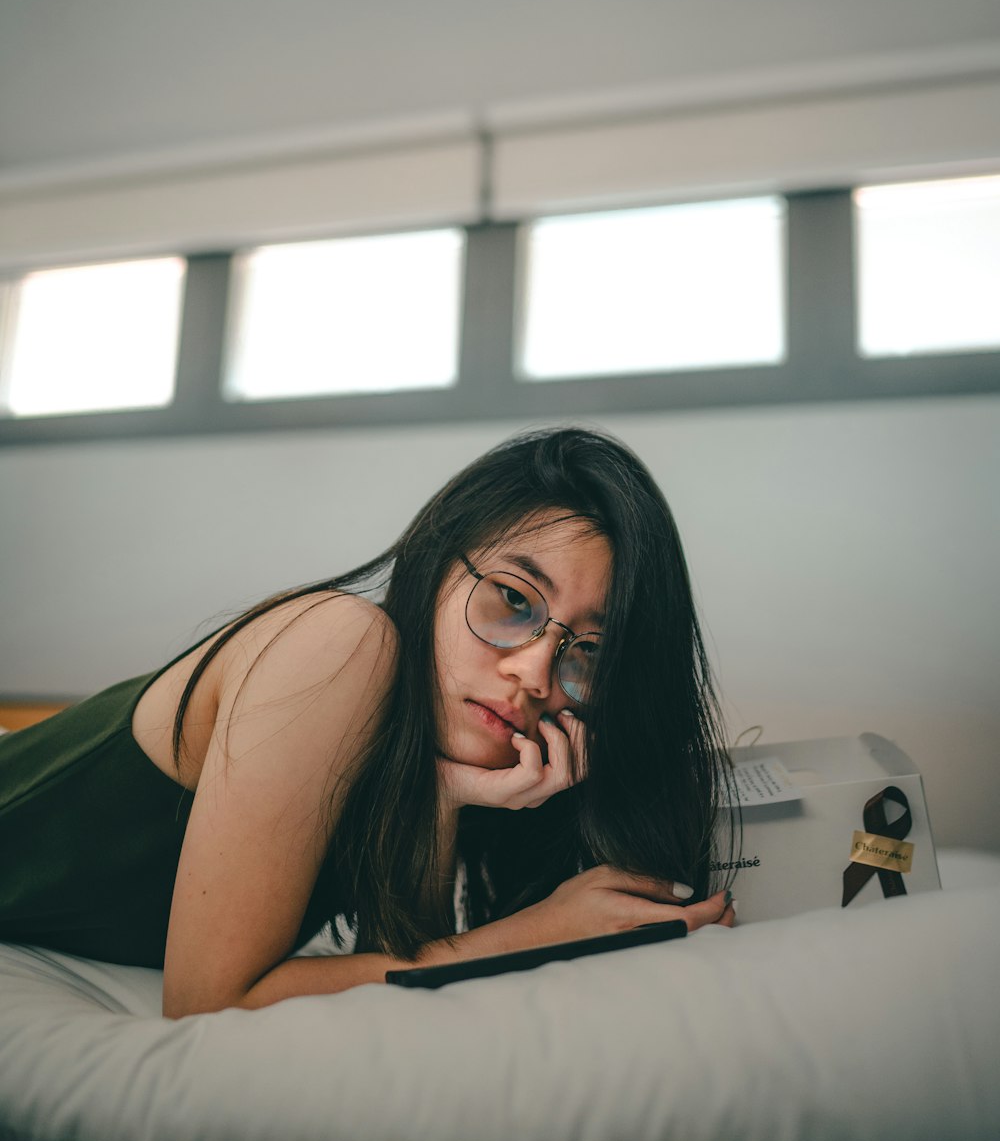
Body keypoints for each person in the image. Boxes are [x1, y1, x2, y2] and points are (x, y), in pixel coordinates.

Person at [0, 426, 735, 1018]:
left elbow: (395, 976)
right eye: (513, 601)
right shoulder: (341, 643)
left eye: (590, 651)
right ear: (435, 565)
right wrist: (532, 935)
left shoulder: (420, 750)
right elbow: (208, 1004)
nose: (537, 675)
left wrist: (446, 798)